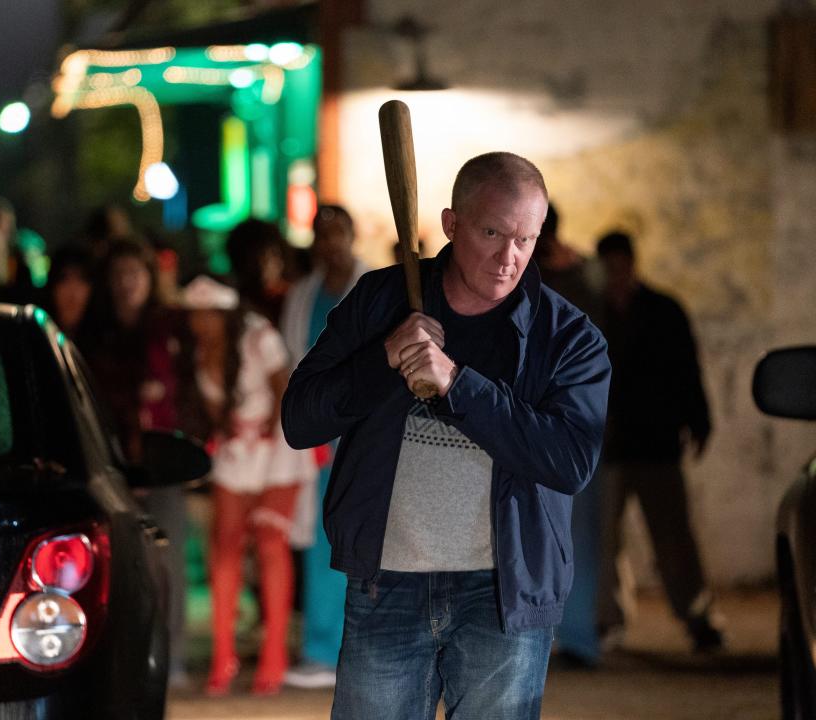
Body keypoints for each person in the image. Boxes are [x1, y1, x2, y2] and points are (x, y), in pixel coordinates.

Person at [282, 152, 611, 718]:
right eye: (492, 232)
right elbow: (300, 420)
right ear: (451, 223)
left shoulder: (569, 338)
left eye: (526, 239)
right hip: (387, 585)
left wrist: (458, 383)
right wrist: (383, 357)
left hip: (502, 594)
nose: (509, 258)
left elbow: (570, 460)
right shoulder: (379, 302)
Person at [178, 275, 313, 697]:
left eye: (205, 314)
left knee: (271, 543)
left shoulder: (260, 336)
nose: (198, 322)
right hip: (236, 454)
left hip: (278, 449)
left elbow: (283, 392)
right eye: (193, 314)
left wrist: (267, 451)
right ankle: (223, 656)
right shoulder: (199, 349)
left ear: (223, 313)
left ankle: (273, 656)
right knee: (225, 549)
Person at [595, 230, 723, 652]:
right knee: (605, 541)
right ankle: (608, 622)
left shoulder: (662, 311)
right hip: (610, 445)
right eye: (608, 267)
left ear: (631, 263)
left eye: (618, 265)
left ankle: (696, 614)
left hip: (654, 441)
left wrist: (698, 421)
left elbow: (687, 370)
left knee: (673, 536)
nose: (615, 274)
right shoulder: (594, 313)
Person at [76, 237, 192, 688]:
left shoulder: (169, 329)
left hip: (164, 463)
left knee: (169, 563)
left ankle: (174, 656)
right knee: (119, 567)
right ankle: (123, 660)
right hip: (111, 465)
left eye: (135, 274)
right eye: (119, 275)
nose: (127, 284)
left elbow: (186, 392)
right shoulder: (95, 333)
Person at [278, 204, 369, 690]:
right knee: (318, 544)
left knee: (362, 539)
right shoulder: (302, 295)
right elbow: (294, 362)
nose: (330, 244)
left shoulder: (377, 285)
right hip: (317, 439)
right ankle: (319, 647)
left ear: (353, 236)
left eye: (339, 233)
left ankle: (356, 648)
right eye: (322, 235)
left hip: (363, 434)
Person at [533, 202, 606, 668]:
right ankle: (575, 636)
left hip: (543, 426)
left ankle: (563, 635)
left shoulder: (528, 285)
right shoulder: (585, 281)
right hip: (579, 425)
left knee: (549, 534)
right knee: (577, 535)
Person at [225, 218, 291, 326]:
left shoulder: (295, 297)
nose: (278, 264)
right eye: (268, 258)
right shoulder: (233, 304)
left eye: (277, 256)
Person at [42, 244, 94, 339]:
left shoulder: (105, 344)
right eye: (64, 279)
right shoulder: (36, 337)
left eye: (81, 279)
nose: (72, 291)